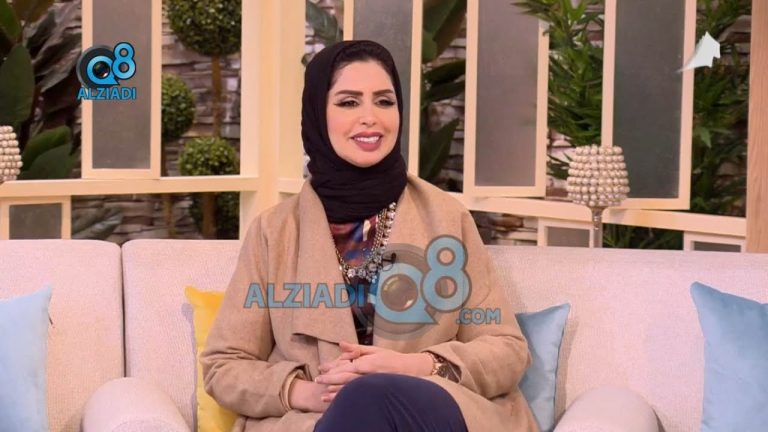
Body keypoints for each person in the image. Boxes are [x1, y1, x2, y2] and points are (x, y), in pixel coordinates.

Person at [200, 40, 538, 432]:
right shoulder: (274, 231)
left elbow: (506, 350)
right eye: (348, 102)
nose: (370, 118)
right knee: (358, 406)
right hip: (319, 420)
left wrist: (412, 367)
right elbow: (224, 365)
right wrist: (308, 392)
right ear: (317, 114)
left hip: (428, 414)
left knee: (372, 395)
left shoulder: (447, 217)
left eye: (384, 101)